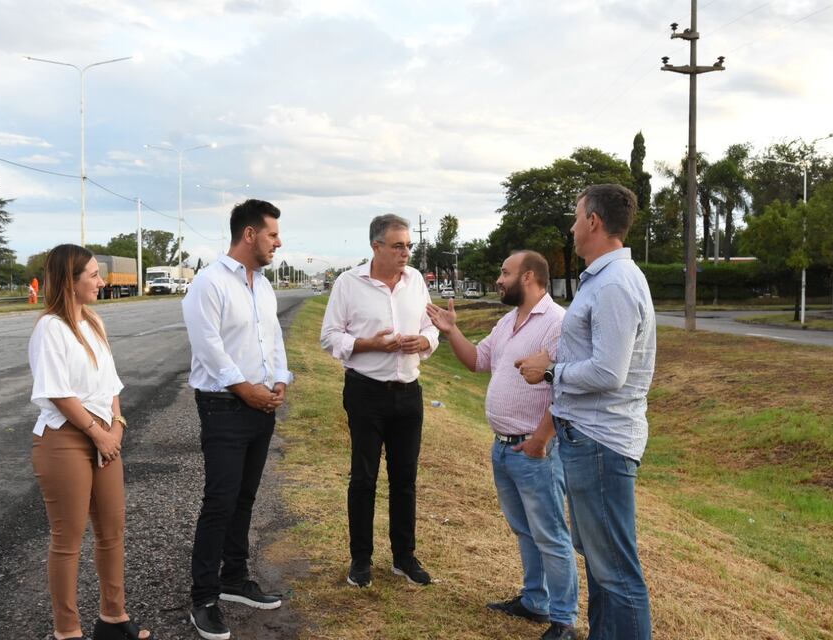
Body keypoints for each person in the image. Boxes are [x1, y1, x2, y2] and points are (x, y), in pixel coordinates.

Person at [516, 184, 656, 640]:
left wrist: (550, 371)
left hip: (602, 442)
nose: (572, 228)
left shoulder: (615, 282)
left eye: (576, 218)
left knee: (617, 571)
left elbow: (609, 372)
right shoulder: (603, 277)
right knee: (601, 566)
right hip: (591, 438)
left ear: (594, 221)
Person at [425, 250, 578, 640]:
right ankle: (534, 601)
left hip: (534, 450)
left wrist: (541, 440)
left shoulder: (558, 324)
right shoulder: (509, 320)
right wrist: (451, 331)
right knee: (525, 531)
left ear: (528, 277)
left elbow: (567, 389)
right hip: (505, 448)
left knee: (550, 534)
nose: (498, 279)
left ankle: (564, 620)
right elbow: (478, 361)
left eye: (504, 272)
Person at [28, 244, 151, 640]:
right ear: (70, 280)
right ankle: (67, 631)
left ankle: (113, 619)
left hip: (104, 436)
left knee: (112, 531)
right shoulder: (51, 327)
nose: (102, 281)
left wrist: (116, 426)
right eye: (94, 275)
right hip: (65, 440)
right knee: (68, 540)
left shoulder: (93, 322)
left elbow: (111, 383)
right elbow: (58, 393)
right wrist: (98, 433)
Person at [182, 199, 292, 640]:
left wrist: (280, 380)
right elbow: (208, 345)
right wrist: (244, 388)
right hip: (224, 407)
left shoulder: (263, 285)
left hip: (261, 406)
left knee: (246, 497)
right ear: (249, 234)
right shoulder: (208, 283)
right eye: (272, 234)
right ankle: (204, 597)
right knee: (220, 501)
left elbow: (274, 339)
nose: (278, 242)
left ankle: (234, 577)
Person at [319, 214, 439, 589]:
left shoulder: (416, 280)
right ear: (376, 247)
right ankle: (361, 560)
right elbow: (330, 336)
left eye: (408, 246)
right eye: (398, 245)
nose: (406, 252)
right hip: (366, 391)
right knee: (364, 478)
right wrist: (371, 344)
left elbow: (431, 325)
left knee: (405, 479)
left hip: (409, 392)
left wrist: (426, 342)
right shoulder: (349, 283)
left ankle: (404, 557)